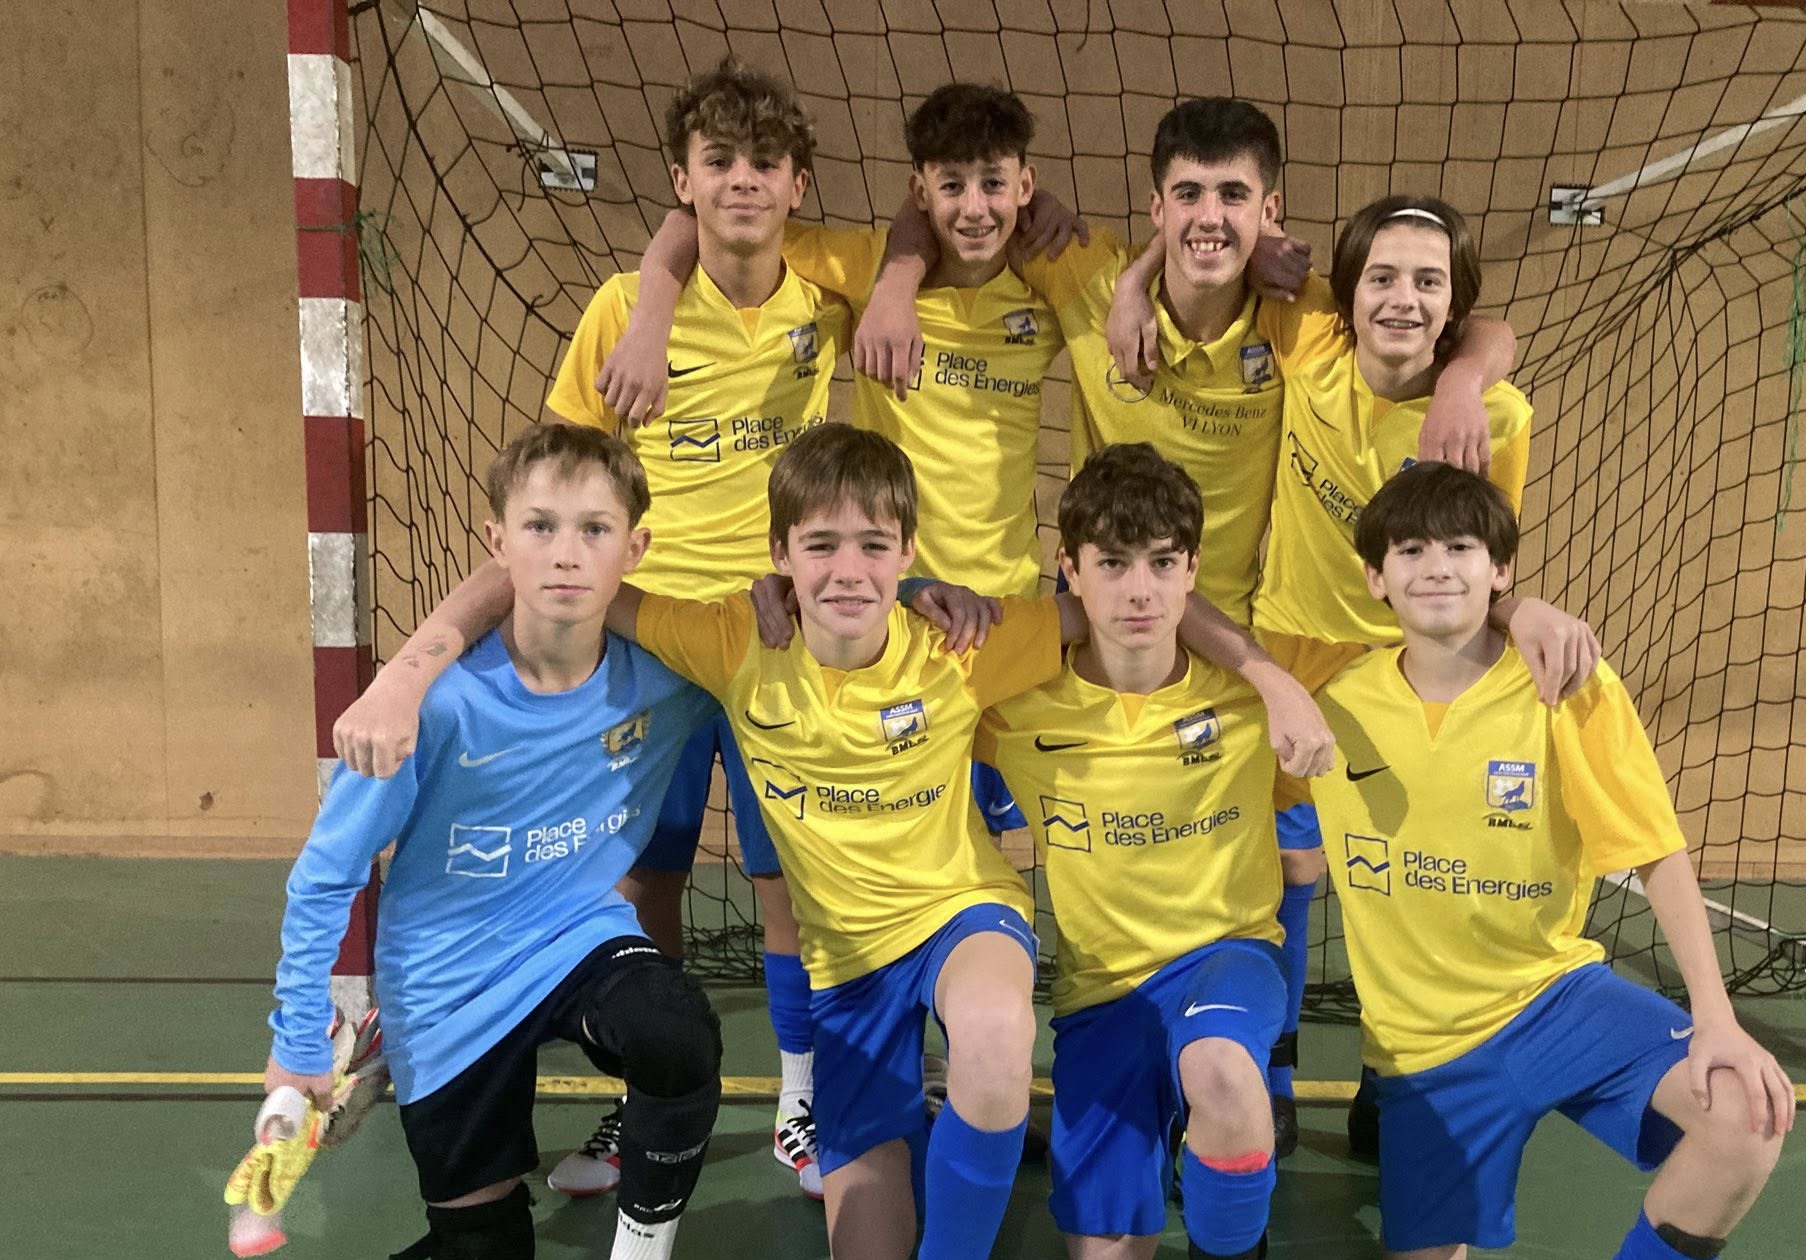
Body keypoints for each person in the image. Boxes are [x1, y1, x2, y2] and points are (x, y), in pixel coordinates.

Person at [625, 422, 1335, 1260]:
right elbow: (578, 588)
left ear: (908, 550)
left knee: (999, 1032)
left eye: (875, 547)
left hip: (964, 915)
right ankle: (951, 1132)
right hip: (848, 969)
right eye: (819, 546)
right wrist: (413, 672)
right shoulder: (734, 642)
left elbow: (1137, 603)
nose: (847, 569)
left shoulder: (960, 648)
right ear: (778, 555)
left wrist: (1269, 675)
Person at [338, 59, 846, 1200]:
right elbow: (558, 490)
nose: (743, 181)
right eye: (718, 162)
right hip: (643, 645)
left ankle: (800, 1101)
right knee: (642, 879)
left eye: (765, 163)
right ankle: (639, 1097)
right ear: (682, 178)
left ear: (797, 183)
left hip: (767, 638)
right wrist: (413, 665)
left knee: (786, 886)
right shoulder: (619, 311)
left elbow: (912, 251)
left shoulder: (827, 296)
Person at [999, 99, 1521, 1147]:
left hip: (1299, 643)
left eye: (1233, 196)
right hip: (1196, 637)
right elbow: (969, 213)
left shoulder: (1304, 322)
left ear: (1269, 211)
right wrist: (1131, 281)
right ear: (1154, 208)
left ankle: (1387, 1067)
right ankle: (1205, 1065)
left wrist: (1465, 375)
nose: (1210, 215)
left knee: (1381, 861)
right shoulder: (1116, 287)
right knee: (1237, 861)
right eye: (1187, 195)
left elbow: (1468, 323)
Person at [1305, 463, 1794, 1260]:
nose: (1435, 568)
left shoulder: (1565, 685)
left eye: (1461, 549)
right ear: (1373, 580)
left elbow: (1654, 848)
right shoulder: (1331, 698)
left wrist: (1716, 1018)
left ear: (1500, 570)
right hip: (1426, 1051)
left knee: (1745, 1112)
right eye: (1410, 550)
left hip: (1554, 999)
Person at [260, 423, 728, 1260]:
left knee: (675, 1032)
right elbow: (324, 877)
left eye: (595, 529)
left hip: (576, 936)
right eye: (540, 526)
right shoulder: (432, 708)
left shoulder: (672, 679)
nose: (566, 554)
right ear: (496, 542)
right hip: (448, 978)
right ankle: (389, 1054)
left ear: (634, 549)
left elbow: (818, 633)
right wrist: (296, 1040)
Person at [976, 444, 1363, 1260]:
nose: (1138, 591)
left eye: (1160, 562)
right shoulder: (1016, 702)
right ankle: (1163, 1137)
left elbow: (1418, 621)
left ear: (1193, 570)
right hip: (1101, 994)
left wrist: (1520, 612)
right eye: (1111, 564)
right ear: (1069, 569)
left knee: (1226, 1070)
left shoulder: (1252, 682)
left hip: (1225, 955)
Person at [597, 81, 1081, 840]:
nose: (974, 207)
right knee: (836, 833)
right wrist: (653, 312)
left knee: (968, 833)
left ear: (1023, 187)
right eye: (951, 186)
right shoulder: (856, 273)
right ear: (920, 191)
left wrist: (1016, 218)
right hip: (882, 610)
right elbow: (710, 223)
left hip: (996, 609)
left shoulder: (1043, 283)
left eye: (995, 184)